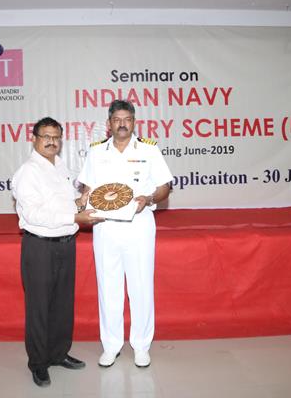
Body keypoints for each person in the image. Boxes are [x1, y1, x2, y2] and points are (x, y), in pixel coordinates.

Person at [77, 100, 173, 368]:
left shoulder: (149, 150)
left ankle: (142, 346)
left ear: (134, 122)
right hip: (105, 226)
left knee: (141, 286)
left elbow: (165, 186)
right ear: (109, 124)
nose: (122, 124)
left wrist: (151, 197)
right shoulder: (96, 153)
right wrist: (82, 199)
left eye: (127, 119)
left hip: (139, 225)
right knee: (108, 287)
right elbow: (86, 187)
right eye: (117, 119)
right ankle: (111, 345)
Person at [12, 117, 101, 386]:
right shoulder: (27, 172)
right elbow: (35, 214)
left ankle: (59, 353)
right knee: (39, 307)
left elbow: (62, 205)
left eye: (56, 137)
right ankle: (38, 363)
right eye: (46, 136)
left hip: (65, 244)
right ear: (35, 138)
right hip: (39, 246)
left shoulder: (60, 166)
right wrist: (76, 218)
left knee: (62, 304)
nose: (51, 141)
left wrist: (80, 201)